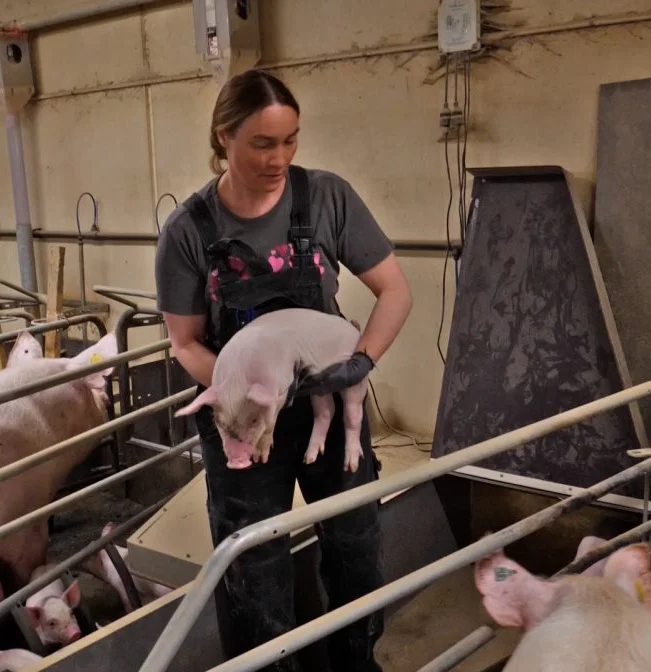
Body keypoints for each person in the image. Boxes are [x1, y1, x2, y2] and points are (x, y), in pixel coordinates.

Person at [153, 69, 413, 671]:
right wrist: (243, 394)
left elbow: (394, 291)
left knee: (354, 543)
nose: (280, 158)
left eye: (290, 140)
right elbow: (185, 343)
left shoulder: (325, 197)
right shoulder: (189, 231)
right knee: (253, 562)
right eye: (262, 144)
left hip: (326, 393)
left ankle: (355, 662)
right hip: (244, 412)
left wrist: (360, 362)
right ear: (224, 138)